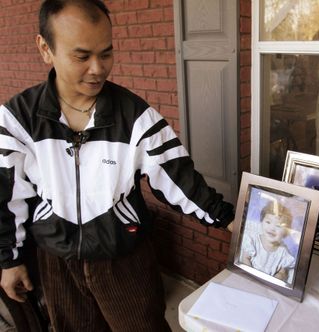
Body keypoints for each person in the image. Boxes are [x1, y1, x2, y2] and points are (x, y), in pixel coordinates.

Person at [0, 1, 234, 331]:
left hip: (125, 261)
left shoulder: (137, 118)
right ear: (45, 48)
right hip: (57, 261)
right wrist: (8, 261)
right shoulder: (17, 120)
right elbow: (8, 198)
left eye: (106, 53)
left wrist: (230, 220)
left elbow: (180, 179)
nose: (98, 68)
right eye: (82, 56)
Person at [240, 200, 295, 283]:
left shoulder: (283, 252)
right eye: (268, 222)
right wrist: (251, 277)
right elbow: (245, 258)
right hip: (248, 280)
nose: (272, 228)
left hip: (268, 285)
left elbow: (282, 273)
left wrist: (274, 279)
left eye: (278, 226)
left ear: (286, 232)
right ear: (261, 222)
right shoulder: (253, 241)